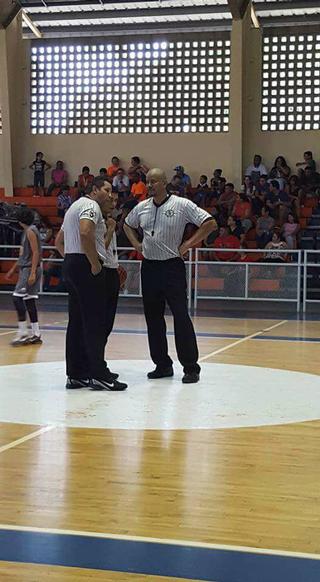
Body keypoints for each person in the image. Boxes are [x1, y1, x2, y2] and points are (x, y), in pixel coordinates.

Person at [124, 168, 217, 384]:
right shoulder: (142, 207)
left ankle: (191, 367)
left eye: (154, 181)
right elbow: (127, 225)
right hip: (149, 267)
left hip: (172, 268)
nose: (149, 185)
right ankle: (162, 364)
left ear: (165, 183)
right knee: (153, 318)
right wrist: (137, 244)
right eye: (147, 182)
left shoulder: (181, 205)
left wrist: (188, 244)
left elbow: (210, 223)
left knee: (181, 316)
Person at [55, 177, 127, 392]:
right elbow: (86, 232)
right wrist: (94, 263)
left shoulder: (73, 207)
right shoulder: (90, 205)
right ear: (94, 190)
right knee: (95, 322)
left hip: (72, 261)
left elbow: (60, 241)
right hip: (85, 264)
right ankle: (99, 374)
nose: (110, 193)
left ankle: (76, 373)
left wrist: (73, 261)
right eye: (106, 189)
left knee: (76, 322)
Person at [5, 207, 42, 346]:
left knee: (17, 298)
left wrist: (32, 272)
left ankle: (23, 333)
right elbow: (22, 254)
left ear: (20, 221)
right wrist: (13, 269)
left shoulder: (30, 231)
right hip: (27, 268)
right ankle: (36, 333)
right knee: (29, 301)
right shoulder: (29, 230)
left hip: (29, 269)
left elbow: (36, 252)